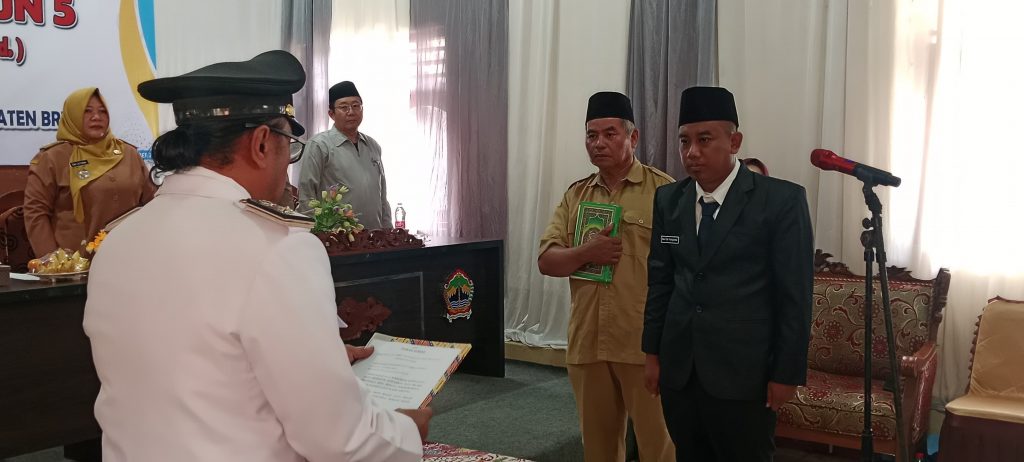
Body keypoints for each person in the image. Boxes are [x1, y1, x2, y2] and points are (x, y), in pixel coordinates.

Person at [83, 50, 428, 462]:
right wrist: (407, 432)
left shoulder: (118, 240)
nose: (287, 168)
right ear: (262, 143)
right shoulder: (279, 247)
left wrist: (319, 356)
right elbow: (339, 439)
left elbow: (192, 362)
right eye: (289, 147)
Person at [642, 86, 813, 461]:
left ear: (734, 141)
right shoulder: (669, 200)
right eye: (684, 141)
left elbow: (794, 296)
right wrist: (652, 354)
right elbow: (661, 281)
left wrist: (786, 373)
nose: (692, 152)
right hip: (681, 371)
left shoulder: (780, 201)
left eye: (704, 140)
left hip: (745, 374)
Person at [538, 92, 676, 462]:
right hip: (589, 342)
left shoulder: (664, 192)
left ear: (633, 137)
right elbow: (547, 261)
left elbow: (685, 270)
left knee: (659, 448)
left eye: (610, 134)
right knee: (598, 450)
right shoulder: (576, 195)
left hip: (643, 346)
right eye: (591, 135)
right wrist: (586, 252)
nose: (598, 143)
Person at [23, 87, 156, 256]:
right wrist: (51, 259)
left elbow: (151, 203)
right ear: (72, 115)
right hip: (76, 261)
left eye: (102, 111)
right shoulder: (52, 158)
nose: (96, 117)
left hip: (128, 254)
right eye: (87, 111)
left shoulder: (128, 153)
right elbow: (35, 212)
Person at [298, 81, 392, 229]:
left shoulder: (373, 146)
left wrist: (387, 230)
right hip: (337, 236)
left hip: (375, 235)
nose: (351, 112)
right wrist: (317, 233)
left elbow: (382, 195)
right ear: (331, 114)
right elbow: (306, 197)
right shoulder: (319, 145)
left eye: (356, 106)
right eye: (343, 107)